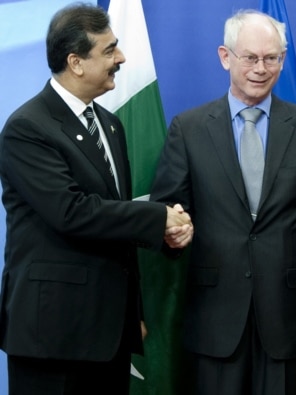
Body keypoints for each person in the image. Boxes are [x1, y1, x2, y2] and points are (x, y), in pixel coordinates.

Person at [0, 4, 193, 395]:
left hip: (109, 336)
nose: (121, 58)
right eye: (109, 51)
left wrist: (131, 312)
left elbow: (114, 224)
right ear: (75, 62)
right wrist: (158, 219)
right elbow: (72, 213)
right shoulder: (27, 128)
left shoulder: (110, 124)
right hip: (53, 338)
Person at [150, 9, 296, 395]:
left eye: (271, 58)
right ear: (225, 57)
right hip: (214, 318)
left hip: (287, 320)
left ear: (282, 60)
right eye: (250, 57)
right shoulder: (188, 129)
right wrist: (172, 237)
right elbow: (169, 215)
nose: (261, 68)